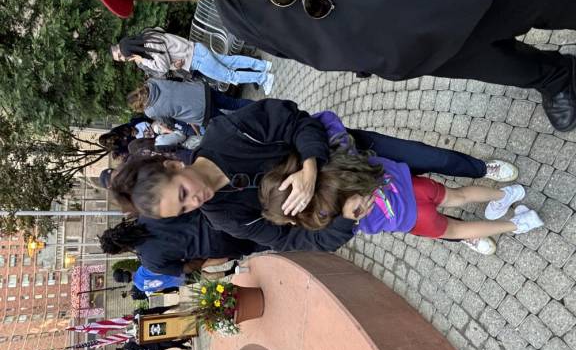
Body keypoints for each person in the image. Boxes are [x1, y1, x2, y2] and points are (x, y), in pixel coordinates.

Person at [97, 0, 576, 133]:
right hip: (407, 48)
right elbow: (306, 46)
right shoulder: (232, 15)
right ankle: (555, 75)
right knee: (495, 64)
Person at [110, 99, 520, 254]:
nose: (193, 203)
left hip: (356, 155)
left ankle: (481, 170)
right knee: (428, 212)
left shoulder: (226, 135)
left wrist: (309, 166)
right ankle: (470, 230)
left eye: (182, 192)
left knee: (429, 160)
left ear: (172, 165)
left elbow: (297, 121)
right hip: (354, 200)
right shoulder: (226, 217)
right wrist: (343, 220)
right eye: (182, 209)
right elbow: (294, 240)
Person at [258, 113, 544, 254]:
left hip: (413, 221)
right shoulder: (339, 161)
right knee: (459, 196)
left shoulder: (329, 220)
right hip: (415, 187)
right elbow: (327, 120)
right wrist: (308, 160)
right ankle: (505, 194)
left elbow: (324, 239)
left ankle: (519, 224)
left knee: (459, 228)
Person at [112, 28, 275, 94]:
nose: (125, 59)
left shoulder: (149, 47)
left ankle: (264, 77)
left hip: (196, 59)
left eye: (123, 56)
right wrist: (172, 63)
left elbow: (161, 68)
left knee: (229, 76)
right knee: (229, 62)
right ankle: (263, 66)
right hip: (196, 52)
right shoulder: (147, 35)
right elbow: (167, 57)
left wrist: (143, 60)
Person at [98, 217, 266, 276]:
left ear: (121, 250)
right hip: (215, 217)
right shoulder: (148, 214)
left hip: (215, 246)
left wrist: (214, 258)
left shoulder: (150, 262)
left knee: (266, 240)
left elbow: (188, 267)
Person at [127, 78, 254, 128]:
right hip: (201, 91)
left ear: (138, 106)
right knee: (233, 104)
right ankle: (262, 107)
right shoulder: (152, 82)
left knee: (230, 123)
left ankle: (256, 124)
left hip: (199, 112)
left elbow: (170, 122)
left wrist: (164, 125)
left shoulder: (150, 111)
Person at [116, 338, 191, 350]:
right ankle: (184, 343)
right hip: (152, 349)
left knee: (170, 343)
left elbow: (138, 346)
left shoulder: (127, 346)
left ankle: (185, 341)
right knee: (170, 345)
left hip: (151, 344)